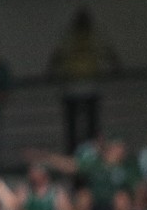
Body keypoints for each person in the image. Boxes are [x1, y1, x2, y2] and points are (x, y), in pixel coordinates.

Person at [47, 12, 117, 152]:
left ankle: (89, 156)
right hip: (73, 88)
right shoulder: (70, 37)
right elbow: (57, 56)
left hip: (88, 87)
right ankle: (76, 158)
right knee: (75, 130)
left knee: (89, 128)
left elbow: (108, 53)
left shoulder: (93, 36)